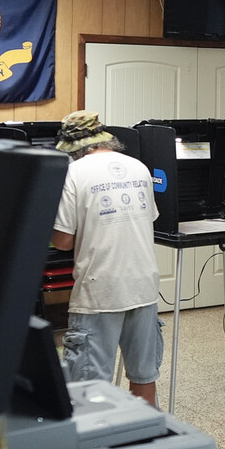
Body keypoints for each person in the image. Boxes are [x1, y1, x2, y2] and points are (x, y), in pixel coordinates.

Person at [52, 110, 163, 406]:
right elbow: (147, 219)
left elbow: (63, 241)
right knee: (143, 378)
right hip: (144, 287)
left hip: (99, 292)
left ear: (75, 148)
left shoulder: (74, 173)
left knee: (90, 390)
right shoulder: (139, 167)